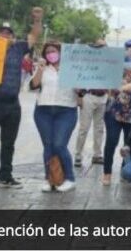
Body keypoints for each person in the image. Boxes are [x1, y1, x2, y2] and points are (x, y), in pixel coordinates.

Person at [0, 7, 43, 195]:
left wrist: (37, 20)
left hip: (13, 104)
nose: (6, 36)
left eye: (9, 34)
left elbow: (34, 36)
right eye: (2, 33)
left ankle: (5, 177)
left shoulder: (18, 48)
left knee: (9, 143)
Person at [30, 42, 79, 193]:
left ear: (61, 53)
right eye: (48, 52)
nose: (51, 54)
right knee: (48, 145)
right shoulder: (43, 68)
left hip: (66, 110)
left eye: (54, 51)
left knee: (59, 144)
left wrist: (79, 88)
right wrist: (40, 69)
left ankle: (70, 178)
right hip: (43, 110)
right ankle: (49, 178)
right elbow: (33, 85)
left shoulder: (72, 68)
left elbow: (80, 91)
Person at [102, 41, 131, 186]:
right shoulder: (113, 71)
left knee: (130, 144)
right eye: (126, 59)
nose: (129, 62)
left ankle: (127, 171)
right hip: (113, 113)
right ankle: (107, 173)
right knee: (111, 142)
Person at [75, 38, 109, 168]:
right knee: (84, 127)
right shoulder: (86, 61)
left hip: (103, 96)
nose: (101, 49)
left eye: (104, 46)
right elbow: (79, 75)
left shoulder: (108, 63)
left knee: (99, 128)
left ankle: (97, 154)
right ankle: (78, 154)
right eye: (99, 46)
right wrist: (79, 96)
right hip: (88, 95)